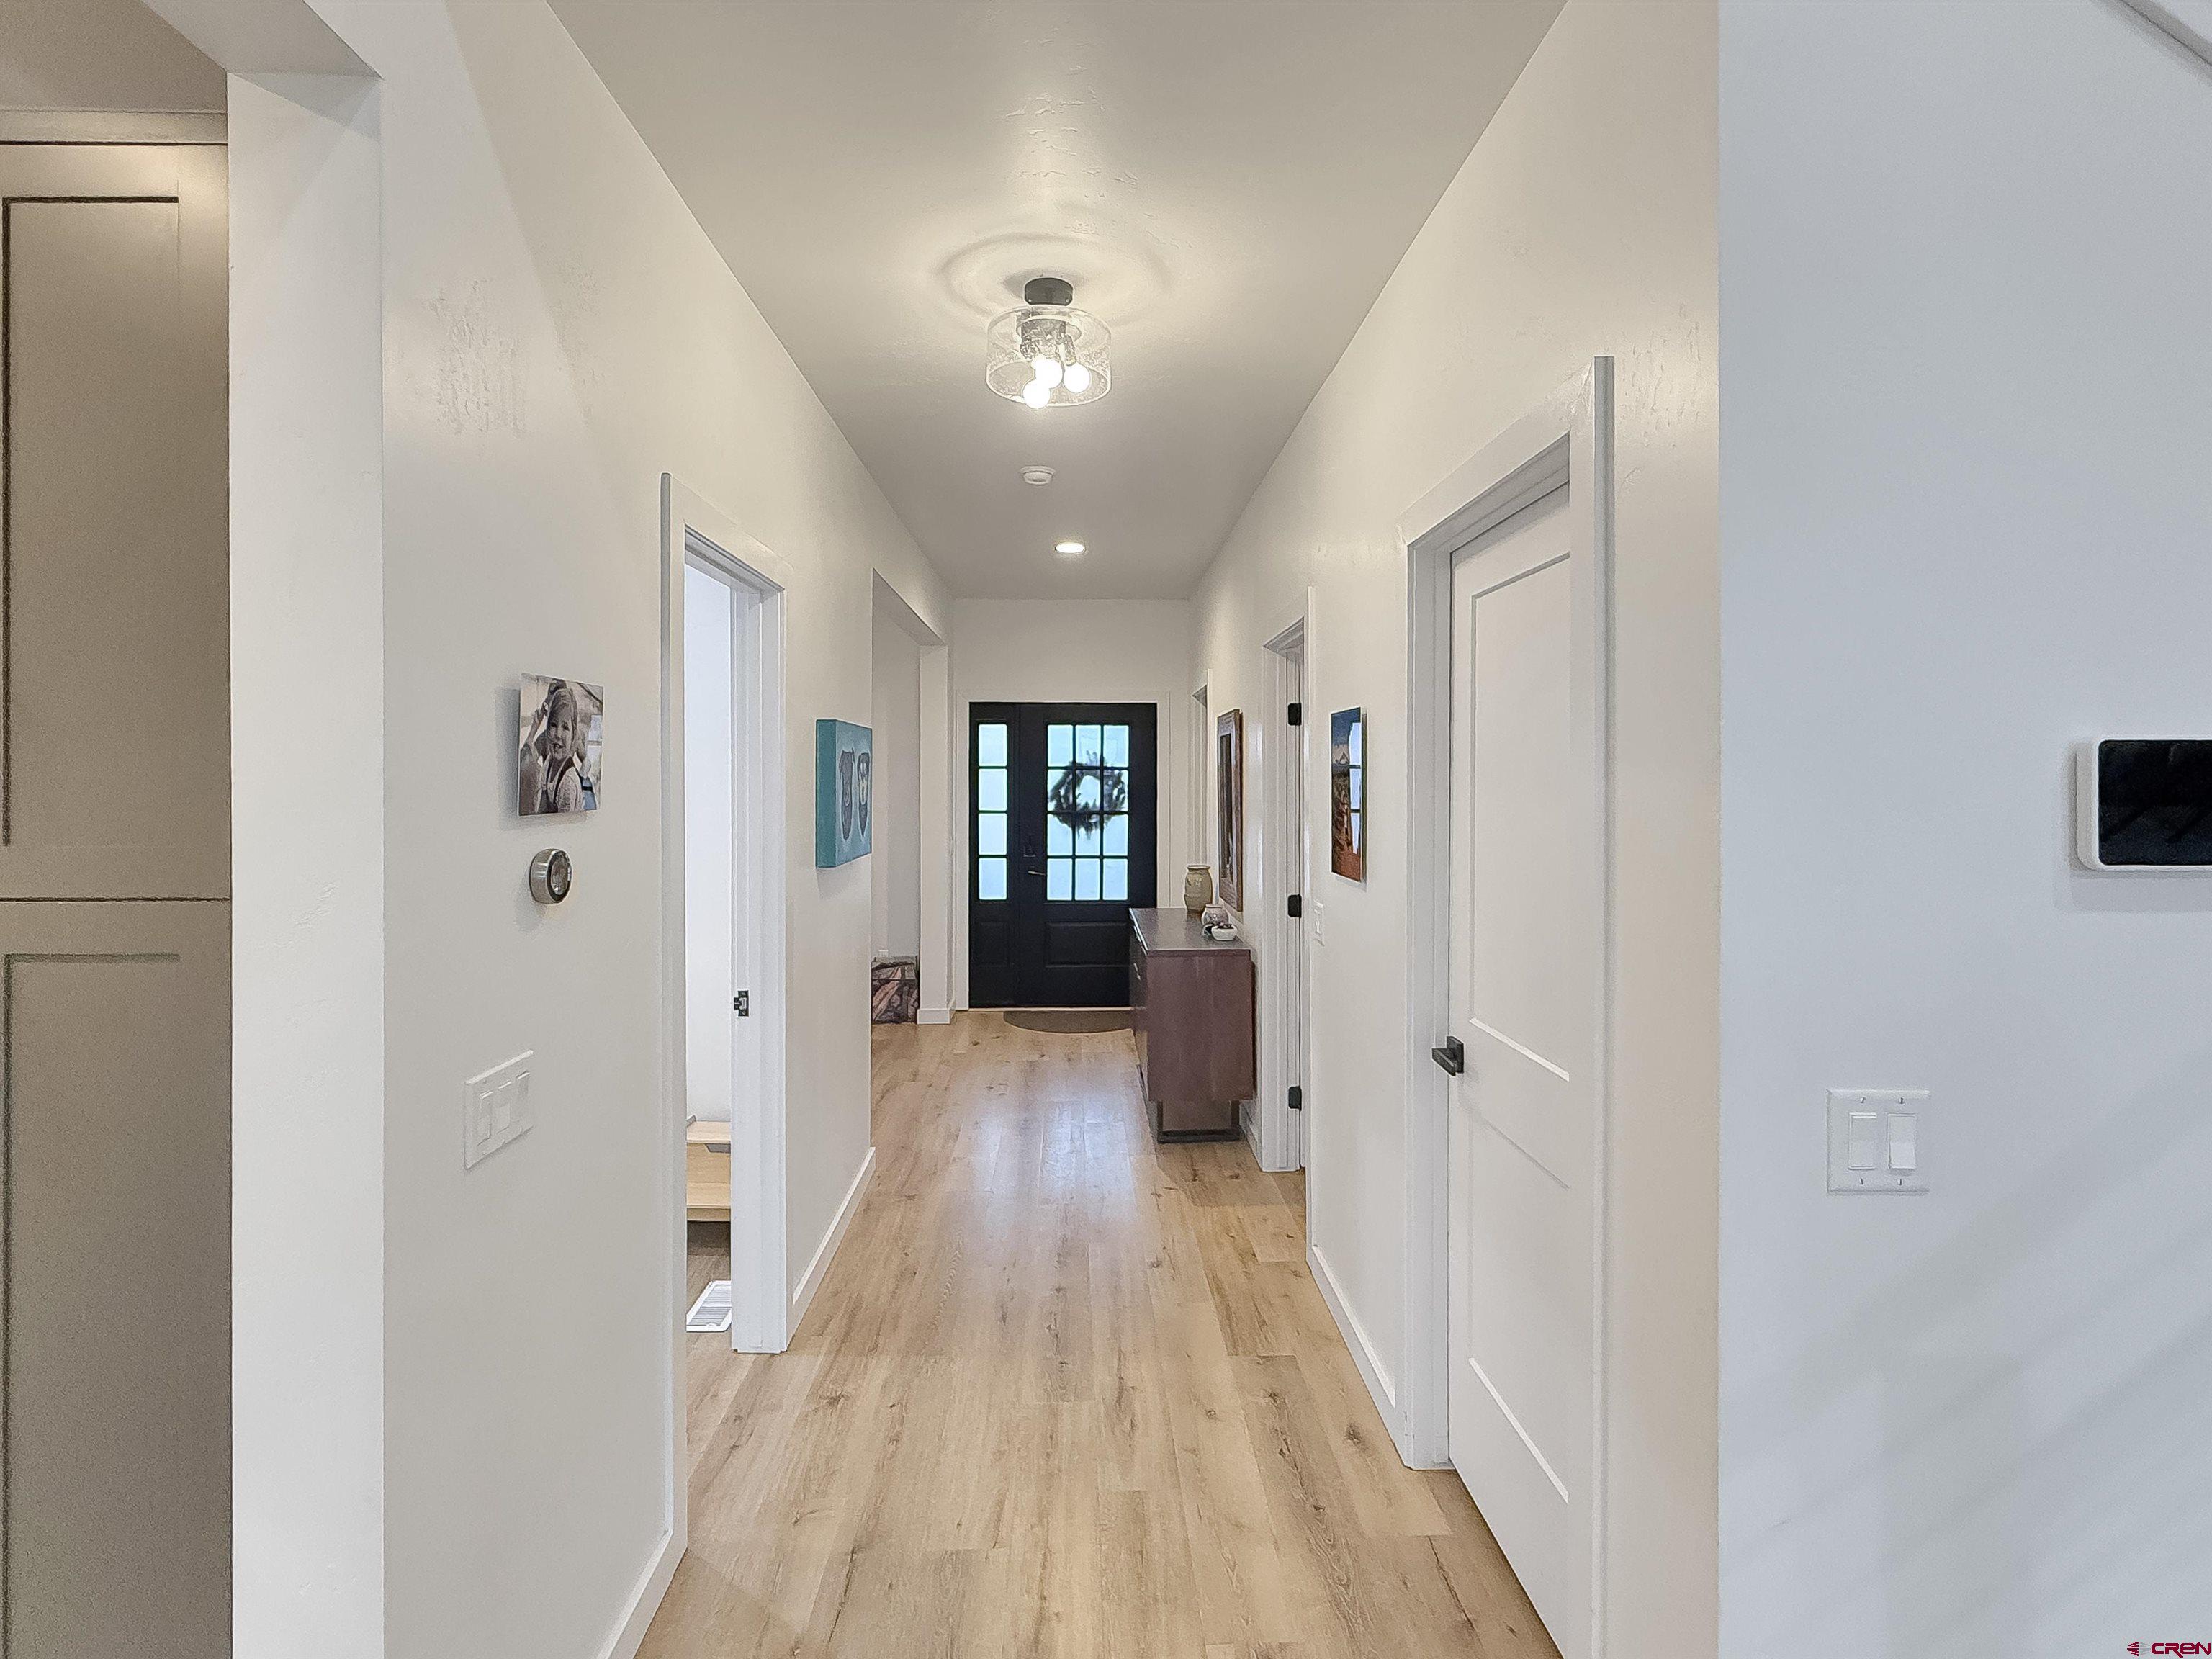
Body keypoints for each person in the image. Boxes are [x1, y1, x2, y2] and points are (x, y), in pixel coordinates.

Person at [523, 680, 588, 814]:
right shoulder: (545, 740)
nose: (558, 734)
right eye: (553, 724)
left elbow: (586, 762)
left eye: (565, 727)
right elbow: (526, 764)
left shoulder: (568, 781)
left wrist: (579, 785)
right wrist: (534, 727)